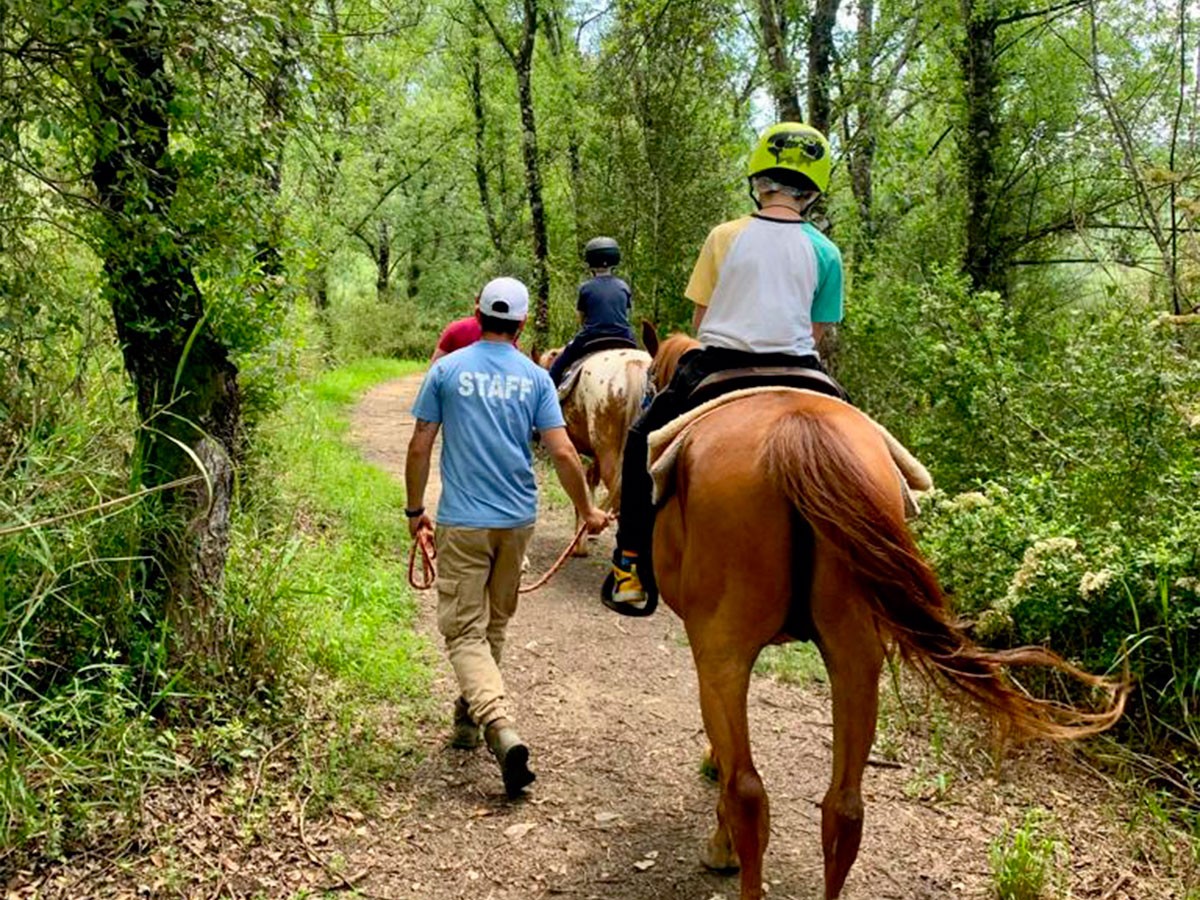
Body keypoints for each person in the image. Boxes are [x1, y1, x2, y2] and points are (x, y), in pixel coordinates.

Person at [608, 122, 845, 606]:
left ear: (759, 182)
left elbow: (702, 319)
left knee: (639, 443)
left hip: (720, 364)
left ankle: (629, 565)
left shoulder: (724, 236)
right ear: (812, 192)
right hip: (802, 370)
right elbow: (817, 332)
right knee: (864, 447)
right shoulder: (827, 252)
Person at [405, 276, 609, 798]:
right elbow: (565, 453)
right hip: (517, 521)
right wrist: (586, 510)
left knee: (463, 631)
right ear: (521, 325)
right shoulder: (536, 378)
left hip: (463, 521)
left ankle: (498, 725)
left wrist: (414, 511)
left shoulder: (447, 370)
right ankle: (468, 718)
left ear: (477, 312)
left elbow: (420, 444)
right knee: (493, 624)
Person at [547, 237, 637, 386]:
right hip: (623, 335)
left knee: (559, 364)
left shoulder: (586, 288)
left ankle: (551, 391)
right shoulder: (623, 286)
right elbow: (625, 313)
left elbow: (581, 319)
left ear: (590, 261)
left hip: (591, 336)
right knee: (645, 360)